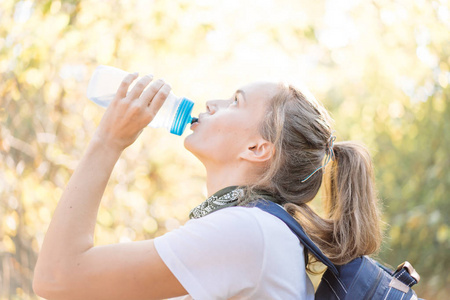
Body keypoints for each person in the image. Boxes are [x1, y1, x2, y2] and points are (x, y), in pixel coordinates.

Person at [33, 73, 382, 300]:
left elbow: (56, 278)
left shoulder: (245, 232)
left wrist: (108, 140)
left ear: (257, 148)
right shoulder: (256, 230)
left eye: (235, 102)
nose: (211, 104)